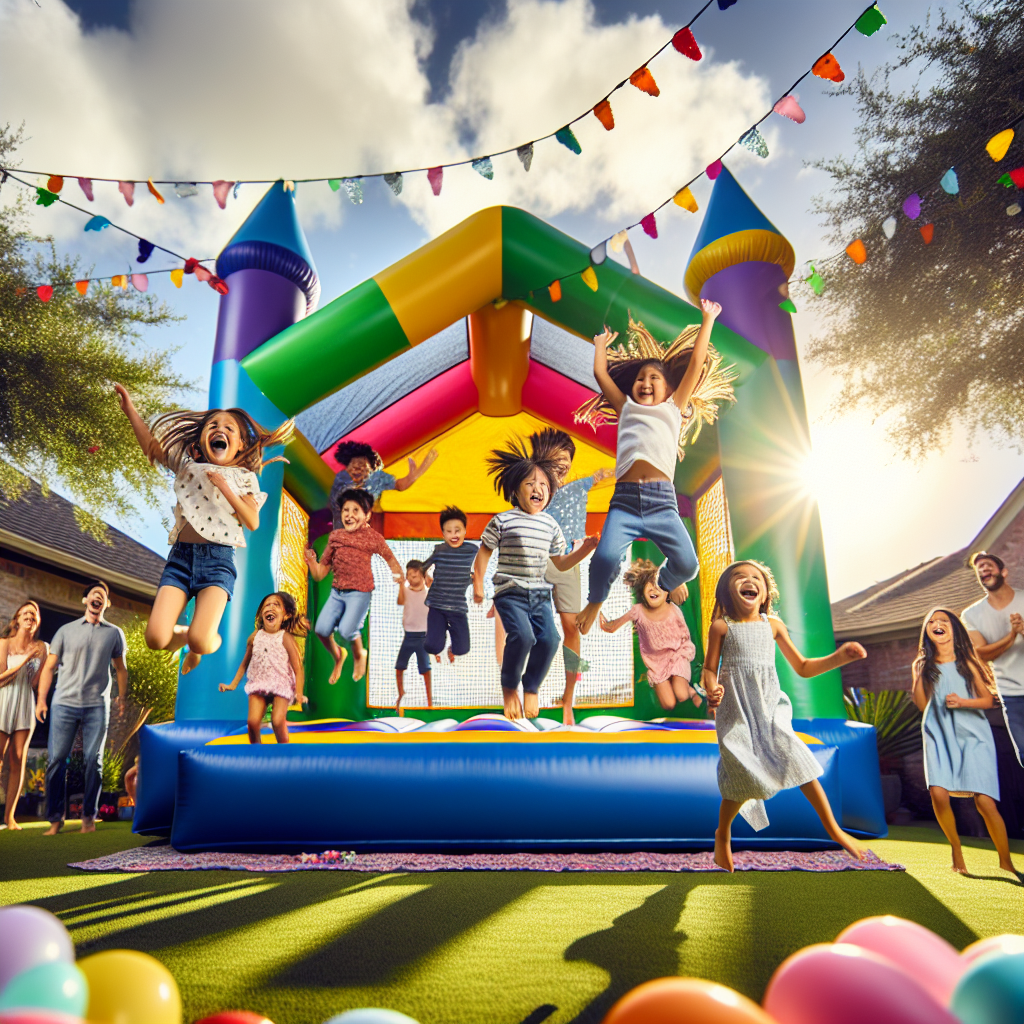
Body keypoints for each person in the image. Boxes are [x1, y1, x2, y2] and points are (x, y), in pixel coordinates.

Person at [575, 300, 736, 635]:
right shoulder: (626, 408)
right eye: (639, 379)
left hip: (663, 503)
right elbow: (601, 374)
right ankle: (595, 600)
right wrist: (601, 345)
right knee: (604, 559)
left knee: (689, 566)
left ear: (670, 389)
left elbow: (694, 364)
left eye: (654, 378)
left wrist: (708, 319)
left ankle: (663, 582)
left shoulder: (674, 408)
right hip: (625, 503)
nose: (645, 382)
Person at [115, 384, 293, 674]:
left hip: (218, 562)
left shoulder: (244, 478)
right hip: (181, 559)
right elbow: (152, 447)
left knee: (200, 640)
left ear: (238, 446)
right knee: (156, 638)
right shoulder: (187, 467)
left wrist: (226, 488)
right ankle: (185, 638)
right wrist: (130, 410)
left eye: (228, 428)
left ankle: (203, 645)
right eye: (212, 425)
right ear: (200, 441)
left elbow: (252, 521)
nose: (219, 429)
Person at [703, 561, 867, 872]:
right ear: (728, 590)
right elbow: (710, 669)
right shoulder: (722, 627)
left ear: (764, 593)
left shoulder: (773, 625)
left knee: (798, 760)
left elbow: (804, 667)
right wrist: (712, 689)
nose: (749, 581)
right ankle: (722, 833)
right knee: (741, 773)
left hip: (768, 708)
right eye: (740, 577)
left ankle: (834, 829)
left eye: (756, 578)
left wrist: (840, 657)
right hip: (735, 710)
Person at [473, 441, 598, 720]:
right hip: (510, 591)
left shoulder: (550, 525)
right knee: (524, 636)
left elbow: (561, 563)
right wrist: (479, 584)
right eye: (530, 484)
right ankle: (509, 689)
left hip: (539, 594)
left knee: (551, 639)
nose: (537, 489)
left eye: (543, 484)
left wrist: (585, 550)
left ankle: (531, 686)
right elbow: (483, 554)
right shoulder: (503, 520)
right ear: (516, 490)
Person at [910, 607, 1017, 877]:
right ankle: (956, 849)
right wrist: (918, 674)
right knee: (938, 793)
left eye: (943, 621)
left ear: (953, 628)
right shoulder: (923, 665)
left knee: (985, 802)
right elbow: (922, 704)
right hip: (937, 730)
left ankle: (1006, 861)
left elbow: (988, 700)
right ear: (927, 632)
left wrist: (963, 702)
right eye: (931, 622)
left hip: (973, 733)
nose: (936, 624)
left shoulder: (966, 661)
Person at [527, 428, 614, 724]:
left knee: (572, 629)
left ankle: (568, 699)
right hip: (538, 562)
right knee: (537, 631)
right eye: (556, 463)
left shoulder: (579, 487)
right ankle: (530, 687)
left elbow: (605, 472)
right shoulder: (532, 492)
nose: (563, 468)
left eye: (566, 464)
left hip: (570, 560)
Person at [35, 581, 127, 836]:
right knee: (56, 760)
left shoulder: (114, 633)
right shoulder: (66, 631)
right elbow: (49, 667)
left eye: (103, 596)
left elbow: (120, 669)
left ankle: (88, 817)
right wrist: (42, 700)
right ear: (85, 600)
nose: (98, 597)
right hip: (64, 703)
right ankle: (55, 820)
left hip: (97, 704)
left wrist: (121, 698)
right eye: (94, 594)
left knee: (93, 760)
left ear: (106, 604)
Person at [306, 488, 404, 684]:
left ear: (367, 515)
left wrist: (398, 579)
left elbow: (390, 559)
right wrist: (311, 562)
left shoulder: (372, 537)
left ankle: (360, 654)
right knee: (321, 630)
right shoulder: (336, 537)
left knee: (344, 631)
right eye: (345, 510)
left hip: (360, 594)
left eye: (355, 510)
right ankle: (338, 656)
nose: (349, 515)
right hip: (337, 593)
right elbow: (320, 574)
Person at [599, 558, 702, 712]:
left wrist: (685, 653)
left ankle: (692, 691)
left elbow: (684, 635)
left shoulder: (673, 609)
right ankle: (669, 685)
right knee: (668, 704)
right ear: (642, 590)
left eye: (659, 586)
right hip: (656, 664)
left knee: (681, 694)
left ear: (667, 592)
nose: (654, 589)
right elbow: (613, 626)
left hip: (676, 655)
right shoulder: (638, 611)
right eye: (650, 585)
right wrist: (602, 619)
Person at [220, 592, 308, 745]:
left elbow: (298, 668)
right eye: (267, 605)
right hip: (259, 683)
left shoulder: (285, 638)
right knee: (253, 722)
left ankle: (284, 750)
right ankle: (256, 753)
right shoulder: (254, 637)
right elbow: (244, 664)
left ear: (286, 615)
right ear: (262, 614)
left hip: (281, 683)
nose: (270, 607)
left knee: (277, 721)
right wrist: (232, 685)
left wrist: (299, 693)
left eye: (276, 605)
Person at [961, 551, 1024, 766]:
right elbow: (981, 653)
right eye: (980, 569)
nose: (984, 569)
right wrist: (1011, 635)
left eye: (988, 565)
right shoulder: (972, 614)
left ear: (1003, 572)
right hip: (1011, 694)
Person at [0, 601, 48, 830]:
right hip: (3, 700)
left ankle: (10, 818)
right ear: (17, 619)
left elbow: (36, 683)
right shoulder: (4, 643)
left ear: (36, 622)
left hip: (25, 704)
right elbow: (1, 678)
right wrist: (25, 659)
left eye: (34, 614)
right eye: (26, 612)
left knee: (18, 759)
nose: (31, 615)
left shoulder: (43, 648)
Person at [330, 440, 438, 530]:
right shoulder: (341, 481)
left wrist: (414, 475)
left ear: (371, 470)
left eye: (362, 466)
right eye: (353, 466)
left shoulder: (377, 479)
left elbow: (400, 485)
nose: (357, 469)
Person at [422, 506, 479, 665]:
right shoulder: (439, 550)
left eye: (457, 530)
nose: (454, 535)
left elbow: (479, 570)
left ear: (465, 531)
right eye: (449, 531)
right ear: (443, 534)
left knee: (462, 649)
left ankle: (448, 637)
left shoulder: (472, 551)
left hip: (457, 607)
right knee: (432, 647)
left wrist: (476, 581)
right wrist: (425, 575)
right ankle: (439, 632)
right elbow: (423, 566)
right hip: (437, 604)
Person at [396, 560, 432, 712]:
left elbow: (433, 587)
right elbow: (400, 601)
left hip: (423, 637)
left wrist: (430, 577)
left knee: (425, 669)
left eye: (416, 574)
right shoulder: (406, 590)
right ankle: (400, 693)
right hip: (408, 636)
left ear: (423, 576)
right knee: (399, 667)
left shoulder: (428, 592)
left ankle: (430, 700)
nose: (412, 577)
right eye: (409, 575)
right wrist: (400, 585)